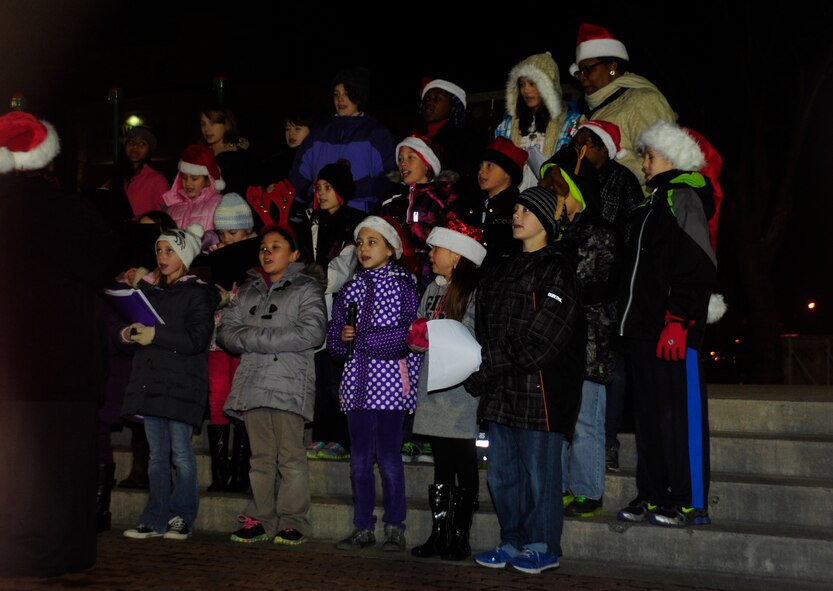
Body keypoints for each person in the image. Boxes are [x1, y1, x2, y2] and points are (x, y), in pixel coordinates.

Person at [0, 111, 116, 576]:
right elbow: (104, 261)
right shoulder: (70, 209)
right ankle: (62, 551)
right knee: (65, 462)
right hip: (65, 366)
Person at [466, 186, 585, 574]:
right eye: (515, 208)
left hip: (540, 393)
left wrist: (491, 362)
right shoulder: (501, 267)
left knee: (540, 476)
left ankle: (542, 545)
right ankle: (512, 540)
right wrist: (478, 364)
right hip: (502, 391)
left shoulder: (558, 268)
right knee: (502, 475)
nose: (516, 215)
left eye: (526, 210)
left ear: (547, 221)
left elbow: (544, 340)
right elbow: (485, 329)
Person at [616, 120, 716, 527]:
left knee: (680, 416)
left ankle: (690, 500)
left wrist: (677, 320)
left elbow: (699, 264)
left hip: (674, 330)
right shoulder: (647, 205)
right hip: (641, 331)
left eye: (650, 156)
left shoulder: (683, 197)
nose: (644, 164)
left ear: (672, 157)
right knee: (649, 420)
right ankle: (653, 495)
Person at [220, 224, 327, 545]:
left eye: (276, 246)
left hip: (289, 385)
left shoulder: (307, 288)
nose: (266, 252)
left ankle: (294, 521)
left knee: (290, 458)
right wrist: (266, 338)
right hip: (253, 384)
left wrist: (253, 337)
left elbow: (312, 333)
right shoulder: (249, 289)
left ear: (294, 254)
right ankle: (260, 518)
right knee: (260, 458)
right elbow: (225, 332)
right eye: (263, 247)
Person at [328, 215, 421, 553]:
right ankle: (363, 526)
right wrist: (342, 337)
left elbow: (407, 335)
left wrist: (362, 340)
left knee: (389, 459)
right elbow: (336, 342)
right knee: (359, 460)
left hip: (391, 388)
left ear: (391, 249)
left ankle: (395, 525)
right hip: (357, 387)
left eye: (372, 242)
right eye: (361, 242)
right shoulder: (350, 288)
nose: (364, 249)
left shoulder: (403, 285)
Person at [120, 223, 219, 541]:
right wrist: (128, 333)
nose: (162, 256)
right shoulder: (149, 291)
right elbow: (139, 328)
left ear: (185, 256)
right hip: (153, 380)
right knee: (156, 456)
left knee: (181, 455)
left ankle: (182, 516)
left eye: (170, 251)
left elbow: (196, 338)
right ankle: (154, 517)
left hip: (182, 383)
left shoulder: (198, 293)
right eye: (159, 250)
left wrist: (154, 335)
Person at [408, 220, 487, 561]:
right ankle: (439, 533)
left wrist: (435, 331)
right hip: (434, 386)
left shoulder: (473, 291)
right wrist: (417, 335)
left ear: (455, 255)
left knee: (464, 460)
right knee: (441, 463)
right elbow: (421, 328)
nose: (430, 254)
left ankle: (459, 535)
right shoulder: (431, 289)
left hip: (460, 388)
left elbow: (471, 333)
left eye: (435, 249)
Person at [299, 159, 365, 461]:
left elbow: (342, 270)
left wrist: (313, 277)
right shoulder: (311, 222)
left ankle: (341, 437)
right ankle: (321, 435)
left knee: (338, 376)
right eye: (318, 187)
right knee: (319, 376)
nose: (321, 193)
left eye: (328, 187)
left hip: (342, 307)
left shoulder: (354, 223)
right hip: (314, 307)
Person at [569, 23, 676, 190]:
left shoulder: (641, 100)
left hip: (638, 209)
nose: (582, 77)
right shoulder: (588, 113)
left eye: (588, 69)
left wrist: (607, 163)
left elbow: (665, 165)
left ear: (612, 66)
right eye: (579, 72)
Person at [204, 193, 259, 492]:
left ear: (248, 232)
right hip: (216, 336)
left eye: (234, 233)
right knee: (217, 397)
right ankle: (219, 474)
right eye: (222, 233)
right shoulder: (213, 253)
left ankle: (241, 472)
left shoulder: (257, 254)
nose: (227, 239)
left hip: (243, 336)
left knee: (241, 398)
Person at [289, 67, 397, 213]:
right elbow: (298, 175)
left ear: (358, 96)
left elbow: (391, 178)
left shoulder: (377, 134)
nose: (340, 99)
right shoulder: (318, 134)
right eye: (336, 94)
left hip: (360, 216)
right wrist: (316, 191)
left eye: (346, 94)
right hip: (321, 215)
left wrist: (350, 190)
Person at [379, 134, 458, 293]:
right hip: (397, 275)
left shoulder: (443, 196)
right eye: (400, 159)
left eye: (411, 157)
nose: (403, 163)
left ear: (427, 164)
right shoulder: (391, 200)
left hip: (430, 273)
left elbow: (452, 236)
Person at [495, 51, 581, 191]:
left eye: (533, 83)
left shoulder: (571, 123)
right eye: (522, 84)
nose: (526, 90)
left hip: (549, 203)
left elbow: (575, 170)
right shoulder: (506, 126)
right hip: (515, 204)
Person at [416, 78, 484, 200]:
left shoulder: (465, 140)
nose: (429, 103)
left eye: (437, 99)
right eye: (427, 99)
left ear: (452, 107)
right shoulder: (415, 137)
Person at [475, 137, 528, 269]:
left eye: (489, 166)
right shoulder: (474, 202)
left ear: (508, 173)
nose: (481, 171)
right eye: (480, 166)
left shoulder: (517, 210)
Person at [162, 143, 225, 250]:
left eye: (194, 178)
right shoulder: (172, 208)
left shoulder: (219, 204)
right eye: (184, 177)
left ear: (208, 181)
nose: (188, 183)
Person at [200, 105, 252, 197]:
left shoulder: (235, 158)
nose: (206, 129)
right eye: (203, 124)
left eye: (212, 123)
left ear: (227, 125)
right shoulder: (199, 155)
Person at [256, 113, 318, 188]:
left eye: (297, 129)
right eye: (288, 129)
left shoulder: (317, 156)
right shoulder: (276, 160)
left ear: (311, 131)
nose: (290, 133)